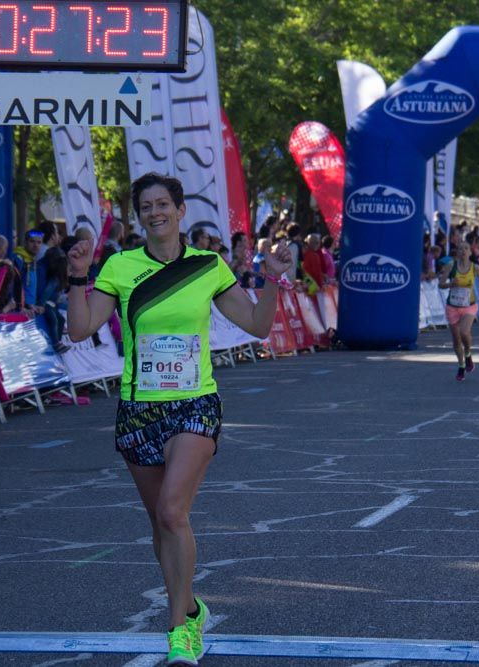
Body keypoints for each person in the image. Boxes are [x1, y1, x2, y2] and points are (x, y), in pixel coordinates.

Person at [66, 172, 292, 666]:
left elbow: (255, 326)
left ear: (180, 209)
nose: (155, 213)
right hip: (140, 409)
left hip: (196, 403)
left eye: (163, 203)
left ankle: (179, 631)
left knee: (173, 511)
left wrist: (272, 279)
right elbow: (81, 330)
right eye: (145, 206)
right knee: (161, 524)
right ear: (138, 215)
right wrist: (78, 277)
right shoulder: (121, 267)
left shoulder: (208, 266)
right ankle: (189, 604)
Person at [438, 241, 479, 381]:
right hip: (452, 306)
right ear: (457, 252)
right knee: (456, 341)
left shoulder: (475, 267)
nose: (463, 251)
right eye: (460, 249)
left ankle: (468, 354)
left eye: (466, 248)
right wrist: (450, 284)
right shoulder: (451, 266)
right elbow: (440, 284)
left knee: (465, 332)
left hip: (469, 306)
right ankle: (461, 365)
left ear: (470, 252)